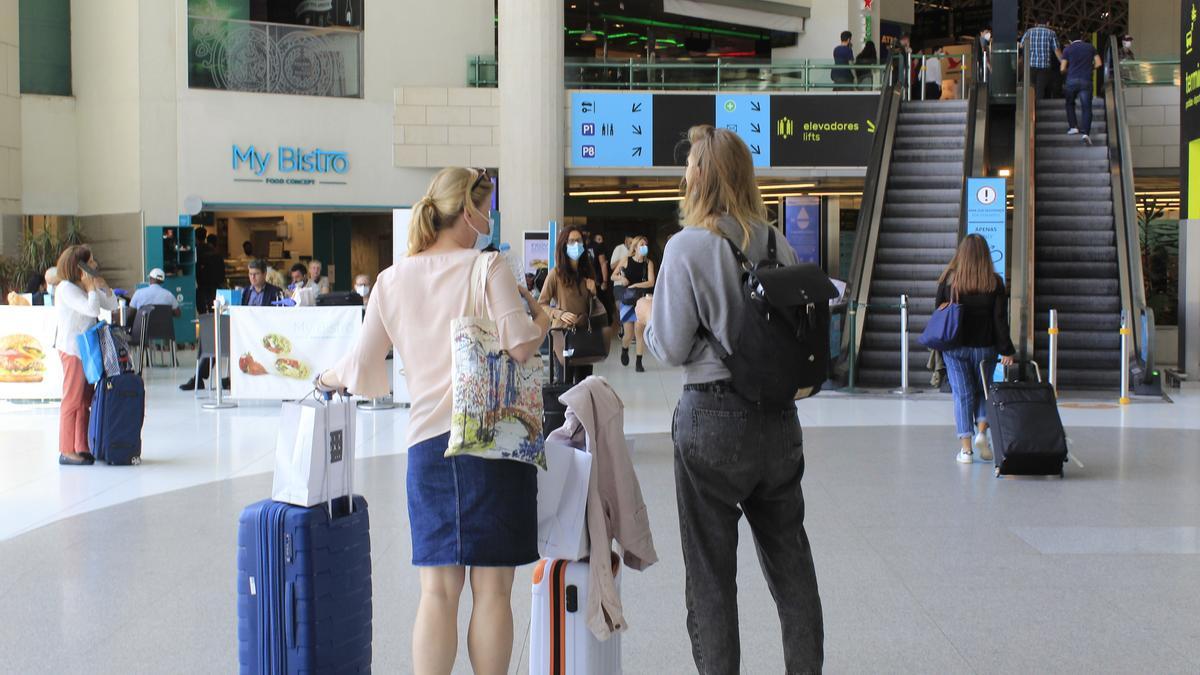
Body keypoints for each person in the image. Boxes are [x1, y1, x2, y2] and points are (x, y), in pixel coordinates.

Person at [316, 167, 549, 675]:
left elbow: (360, 364)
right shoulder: (488, 267)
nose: (488, 217)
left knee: (437, 591)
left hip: (428, 448)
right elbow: (520, 343)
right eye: (484, 206)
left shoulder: (391, 279)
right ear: (467, 211)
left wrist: (325, 377)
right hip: (493, 441)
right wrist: (543, 320)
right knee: (493, 589)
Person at [640, 125, 823, 672]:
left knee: (712, 576)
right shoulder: (778, 242)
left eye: (689, 167)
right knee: (792, 569)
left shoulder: (687, 246)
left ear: (699, 178)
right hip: (778, 418)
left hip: (711, 417)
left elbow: (671, 348)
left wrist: (648, 319)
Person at [934, 234, 1016, 464]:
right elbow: (1000, 319)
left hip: (955, 347)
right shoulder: (994, 282)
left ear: (962, 254)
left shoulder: (948, 281)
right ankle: (982, 433)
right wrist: (1007, 350)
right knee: (983, 391)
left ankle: (967, 451)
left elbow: (938, 313)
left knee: (962, 395)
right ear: (985, 255)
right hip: (985, 348)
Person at [53, 245, 118, 466]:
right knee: (71, 400)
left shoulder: (84, 286)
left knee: (84, 401)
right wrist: (91, 288)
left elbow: (112, 303)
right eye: (90, 263)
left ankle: (82, 446)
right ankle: (66, 449)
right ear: (78, 266)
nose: (95, 265)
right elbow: (92, 310)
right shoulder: (66, 288)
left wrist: (101, 284)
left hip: (87, 350)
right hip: (73, 350)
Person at [539, 225, 599, 384]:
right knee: (564, 383)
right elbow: (541, 305)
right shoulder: (555, 274)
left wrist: (594, 293)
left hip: (585, 335)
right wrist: (559, 313)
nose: (576, 245)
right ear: (563, 246)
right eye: (571, 241)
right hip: (563, 336)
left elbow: (595, 309)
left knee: (584, 384)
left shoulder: (588, 272)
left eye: (579, 241)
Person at [612, 235, 655, 372]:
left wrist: (635, 284)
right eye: (641, 244)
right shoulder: (626, 260)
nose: (644, 247)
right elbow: (613, 275)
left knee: (639, 332)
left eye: (646, 244)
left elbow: (651, 282)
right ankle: (625, 349)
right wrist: (621, 278)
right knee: (628, 334)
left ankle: (639, 362)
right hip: (628, 299)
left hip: (642, 300)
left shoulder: (649, 263)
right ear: (635, 247)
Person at [1060, 33, 1102, 145]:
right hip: (1086, 80)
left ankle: (1073, 127)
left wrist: (1068, 72)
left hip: (1071, 80)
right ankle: (1086, 133)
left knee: (1070, 103)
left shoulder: (1067, 49)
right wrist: (1089, 68)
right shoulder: (1090, 47)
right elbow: (1098, 64)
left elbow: (1062, 68)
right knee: (1086, 107)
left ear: (1069, 40)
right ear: (1082, 38)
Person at [1020, 19, 1062, 99]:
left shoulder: (1029, 32)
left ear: (1036, 23)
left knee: (1030, 88)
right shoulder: (1051, 33)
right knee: (1040, 89)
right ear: (1048, 23)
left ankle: (1029, 109)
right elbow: (1057, 51)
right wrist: (1064, 64)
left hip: (1030, 65)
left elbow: (1021, 45)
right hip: (1044, 66)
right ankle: (1038, 108)